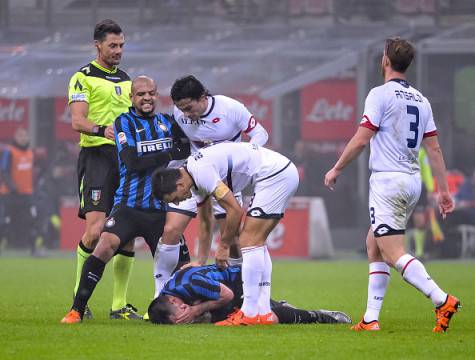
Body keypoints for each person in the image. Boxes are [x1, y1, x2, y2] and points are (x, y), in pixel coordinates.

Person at [324, 37, 460, 333]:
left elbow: (362, 138)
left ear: (385, 61)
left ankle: (442, 299)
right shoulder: (421, 100)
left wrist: (336, 168)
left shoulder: (379, 94)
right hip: (411, 182)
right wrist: (443, 190)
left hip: (388, 181)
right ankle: (371, 318)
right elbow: (434, 150)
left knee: (392, 252)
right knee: (373, 245)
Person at [61, 76, 190, 324]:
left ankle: (188, 310)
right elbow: (133, 162)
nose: (147, 98)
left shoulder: (167, 122)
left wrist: (166, 152)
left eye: (151, 93)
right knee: (105, 245)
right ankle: (76, 309)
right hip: (128, 207)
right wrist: (168, 152)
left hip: (160, 209)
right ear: (131, 97)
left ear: (157, 95)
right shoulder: (123, 123)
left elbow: (185, 149)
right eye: (141, 94)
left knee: (181, 265)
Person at [152, 141, 299, 325]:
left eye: (175, 198)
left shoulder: (201, 171)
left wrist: (223, 246)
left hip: (275, 175)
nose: (179, 201)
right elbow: (205, 221)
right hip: (276, 174)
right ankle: (264, 311)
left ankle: (250, 313)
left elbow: (235, 210)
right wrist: (200, 260)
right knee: (255, 241)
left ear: (179, 185)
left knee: (248, 240)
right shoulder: (193, 178)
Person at [152, 75, 269, 299]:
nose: (186, 114)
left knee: (234, 240)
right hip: (188, 178)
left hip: (226, 179)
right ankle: (160, 296)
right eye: (181, 109)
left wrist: (244, 155)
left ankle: (241, 294)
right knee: (170, 230)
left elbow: (261, 134)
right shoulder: (180, 114)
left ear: (203, 97)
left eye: (189, 107)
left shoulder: (231, 109)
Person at [67, 19, 139, 319]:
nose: (118, 50)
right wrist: (103, 130)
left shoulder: (126, 79)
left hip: (125, 159)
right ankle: (78, 300)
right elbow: (77, 121)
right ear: (98, 45)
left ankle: (118, 305)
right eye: (113, 45)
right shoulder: (82, 78)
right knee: (95, 231)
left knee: (128, 232)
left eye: (121, 45)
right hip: (96, 157)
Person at [148, 264, 352, 325]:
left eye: (182, 312)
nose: (185, 316)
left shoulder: (191, 285)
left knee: (262, 320)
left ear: (175, 300)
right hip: (223, 288)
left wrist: (195, 310)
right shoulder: (166, 297)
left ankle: (320, 316)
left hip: (239, 283)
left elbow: (226, 295)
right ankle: (275, 304)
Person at [0, 128, 38, 254]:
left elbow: (30, 173)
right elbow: (4, 171)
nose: (23, 138)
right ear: (15, 137)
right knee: (5, 221)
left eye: (25, 136)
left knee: (32, 220)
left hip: (27, 194)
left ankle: (33, 250)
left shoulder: (30, 153)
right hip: (10, 195)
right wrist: (13, 188)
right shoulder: (9, 151)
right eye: (20, 135)